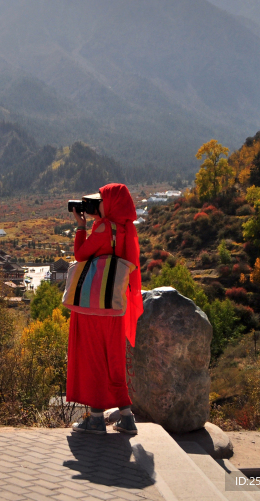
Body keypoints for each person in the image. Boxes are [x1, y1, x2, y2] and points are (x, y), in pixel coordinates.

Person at [68, 182, 143, 435]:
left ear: (110, 204)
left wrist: (81, 226)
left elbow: (80, 255)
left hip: (93, 305)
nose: (94, 204)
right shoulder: (125, 229)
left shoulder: (103, 228)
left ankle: (97, 418)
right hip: (115, 303)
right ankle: (126, 417)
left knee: (93, 358)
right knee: (114, 359)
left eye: (100, 200)